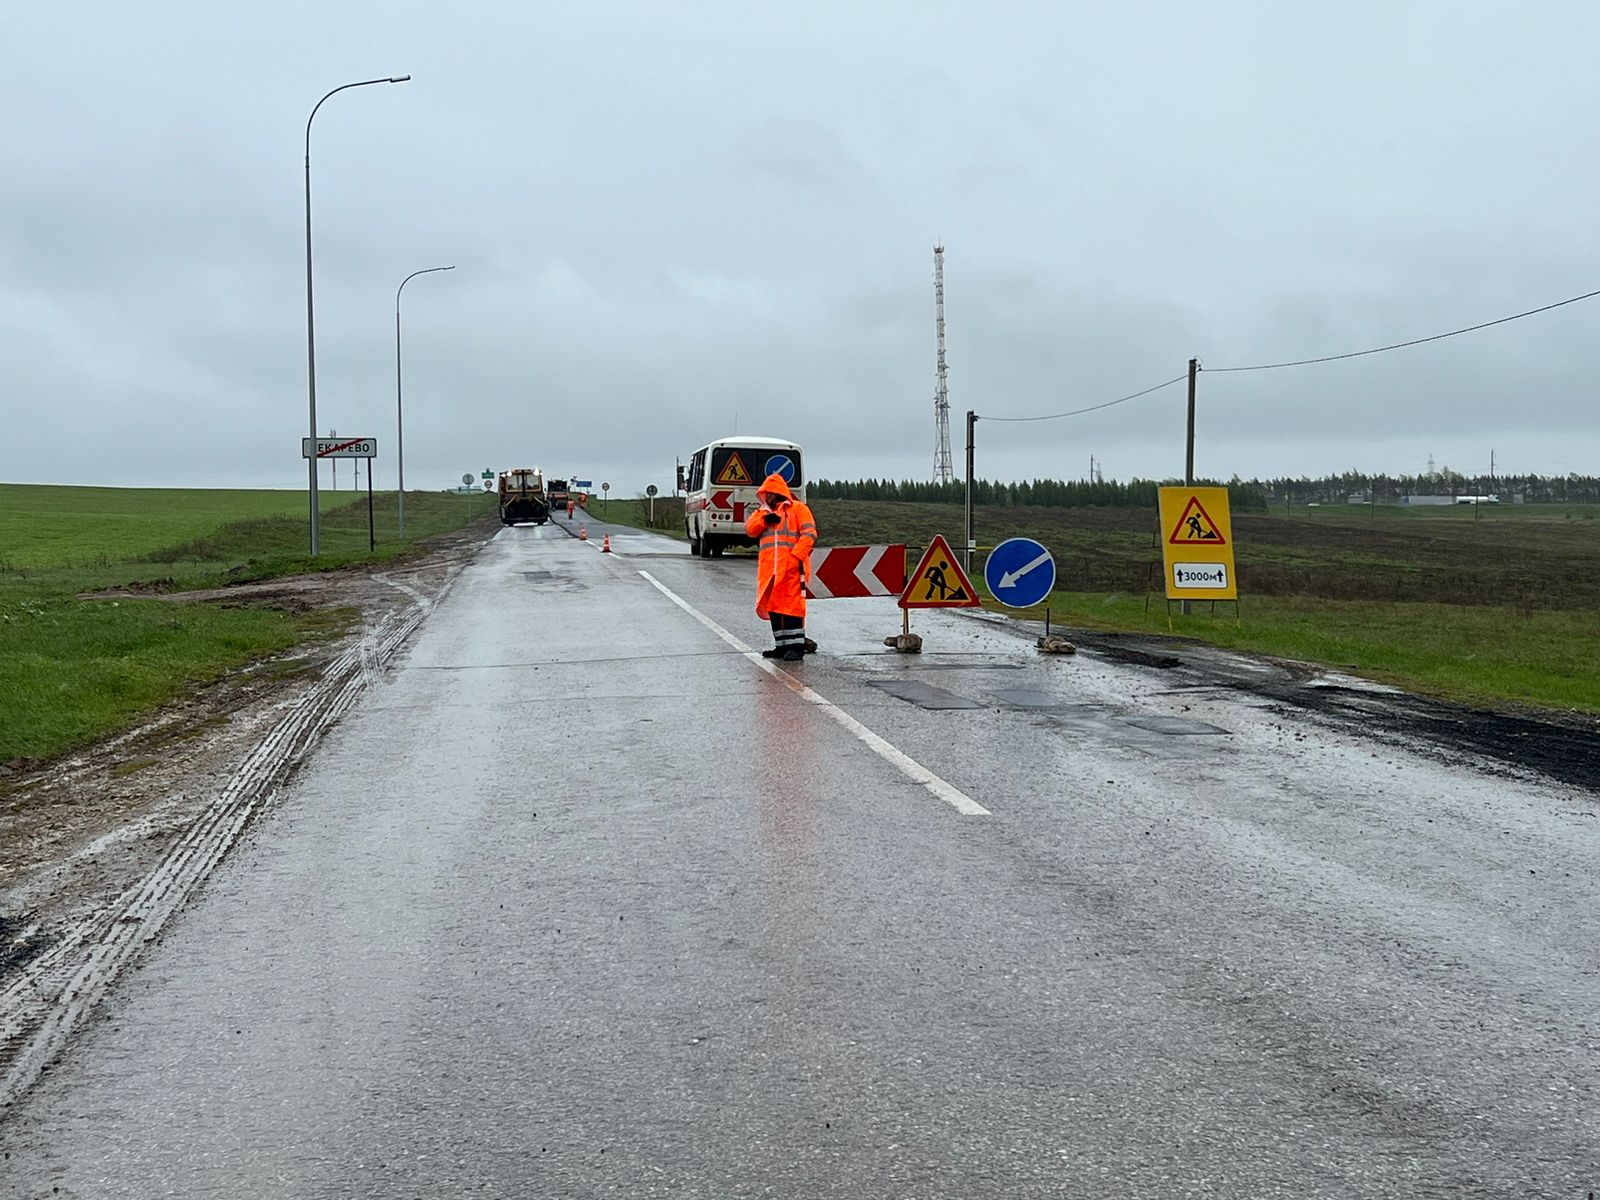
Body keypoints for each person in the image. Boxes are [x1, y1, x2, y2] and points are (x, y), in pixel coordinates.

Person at [744, 472, 817, 661]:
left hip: (792, 568)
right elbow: (750, 530)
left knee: (792, 608)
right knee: (775, 608)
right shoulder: (762, 513)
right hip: (770, 571)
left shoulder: (798, 510)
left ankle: (796, 647)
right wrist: (764, 520)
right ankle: (781, 646)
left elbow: (809, 534)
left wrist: (796, 557)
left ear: (778, 492)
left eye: (770, 492)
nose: (767, 496)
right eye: (765, 493)